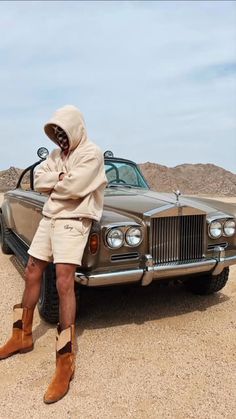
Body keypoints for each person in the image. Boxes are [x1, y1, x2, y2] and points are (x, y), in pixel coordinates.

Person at [0, 105, 107, 404]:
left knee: (63, 282)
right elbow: (39, 181)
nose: (60, 137)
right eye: (55, 132)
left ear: (75, 128)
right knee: (33, 269)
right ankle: (21, 335)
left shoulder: (91, 153)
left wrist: (58, 182)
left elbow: (75, 188)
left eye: (63, 131)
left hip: (75, 221)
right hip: (50, 219)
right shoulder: (55, 157)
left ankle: (65, 360)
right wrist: (61, 178)